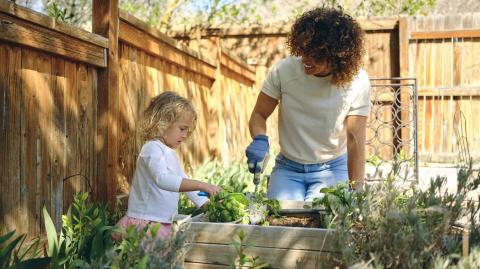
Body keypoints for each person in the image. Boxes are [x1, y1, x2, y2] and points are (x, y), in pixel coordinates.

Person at [246, 7, 371, 202]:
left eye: (317, 55)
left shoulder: (357, 82)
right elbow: (259, 114)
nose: (306, 59)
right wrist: (260, 139)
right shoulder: (284, 71)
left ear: (338, 56)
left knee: (325, 222)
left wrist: (357, 189)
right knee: (280, 219)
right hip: (288, 167)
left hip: (332, 168)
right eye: (304, 50)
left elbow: (355, 139)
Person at [116, 91, 221, 239]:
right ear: (163, 123)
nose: (185, 135)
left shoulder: (169, 152)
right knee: (149, 262)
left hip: (162, 222)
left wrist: (206, 205)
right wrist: (201, 185)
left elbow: (182, 180)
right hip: (148, 222)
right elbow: (162, 179)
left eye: (187, 130)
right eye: (182, 129)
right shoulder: (152, 148)